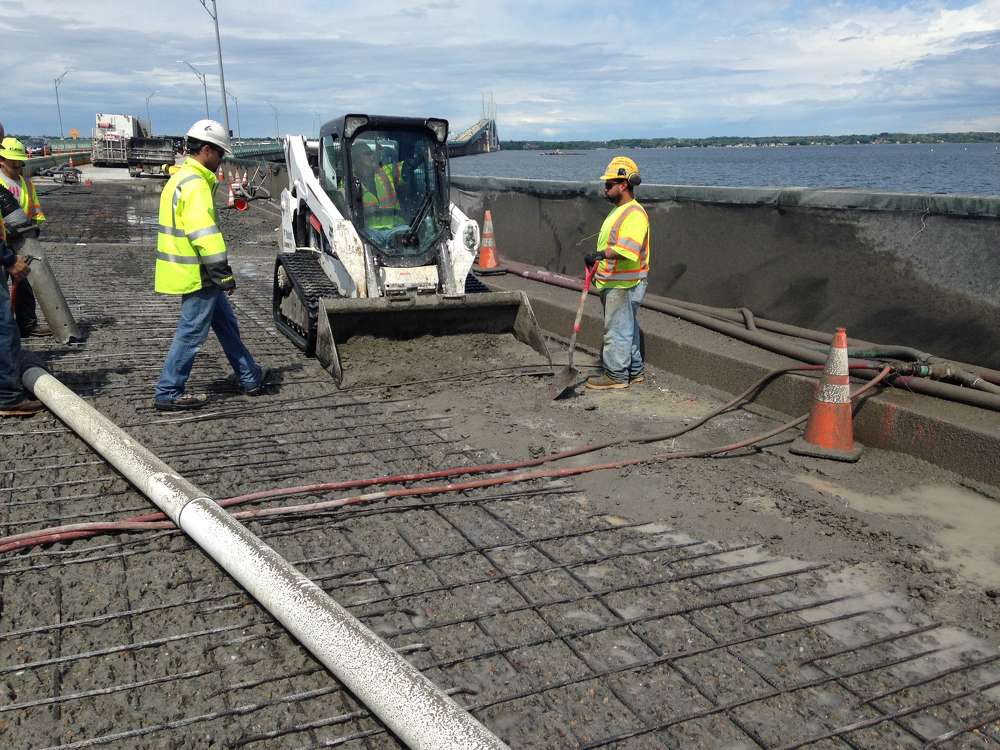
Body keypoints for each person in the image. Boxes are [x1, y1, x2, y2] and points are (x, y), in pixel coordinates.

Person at [152, 119, 270, 411]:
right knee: (191, 333)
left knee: (227, 325)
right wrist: (222, 274)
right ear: (206, 150)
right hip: (199, 272)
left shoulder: (180, 178)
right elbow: (204, 233)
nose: (221, 161)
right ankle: (168, 391)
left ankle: (249, 375)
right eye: (220, 154)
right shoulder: (194, 184)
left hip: (194, 269)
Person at [583, 156, 651, 390]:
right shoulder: (622, 211)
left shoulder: (633, 213)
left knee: (617, 330)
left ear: (624, 185)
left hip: (624, 284)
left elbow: (627, 249)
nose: (605, 188)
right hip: (619, 281)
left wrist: (600, 255)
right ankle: (635, 371)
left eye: (609, 184)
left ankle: (616, 375)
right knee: (628, 328)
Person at [0, 136, 51, 338]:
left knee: (25, 282)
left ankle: (27, 324)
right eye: (14, 164)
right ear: (2, 160)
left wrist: (34, 228)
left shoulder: (26, 184)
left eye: (20, 163)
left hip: (22, 240)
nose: (18, 167)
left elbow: (36, 210)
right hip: (3, 242)